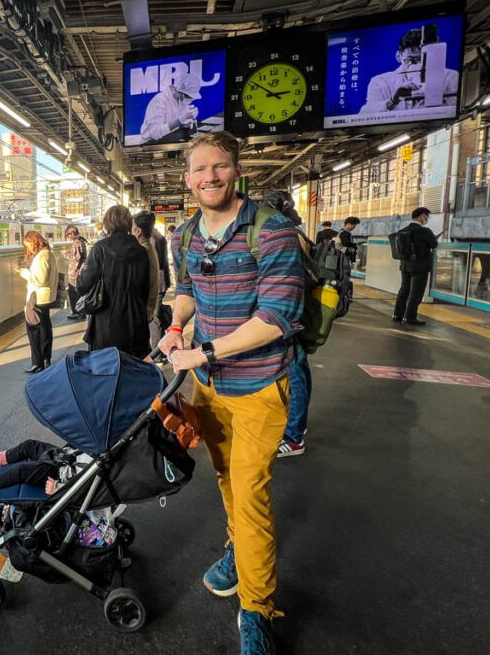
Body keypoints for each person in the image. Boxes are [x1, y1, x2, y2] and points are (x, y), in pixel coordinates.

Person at [160, 131, 304, 654]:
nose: (209, 177)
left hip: (260, 387)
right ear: (187, 179)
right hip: (209, 390)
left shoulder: (272, 231)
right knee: (224, 480)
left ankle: (258, 608)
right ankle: (237, 549)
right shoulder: (186, 235)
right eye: (199, 169)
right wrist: (177, 327)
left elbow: (277, 318)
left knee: (251, 496)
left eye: (219, 167)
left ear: (236, 170)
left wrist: (204, 352)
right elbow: (188, 291)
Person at [262, 190, 314, 460]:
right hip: (299, 314)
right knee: (300, 371)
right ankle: (297, 428)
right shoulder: (297, 233)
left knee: (294, 373)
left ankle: (293, 437)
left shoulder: (286, 235)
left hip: (290, 317)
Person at [76, 205, 151, 358]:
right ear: (129, 224)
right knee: (134, 370)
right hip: (136, 322)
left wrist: (79, 274)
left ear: (107, 224)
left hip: (106, 323)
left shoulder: (99, 249)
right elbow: (145, 289)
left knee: (105, 371)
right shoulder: (142, 251)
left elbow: (82, 286)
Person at [360, 26, 460, 114]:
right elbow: (365, 113)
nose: (419, 66)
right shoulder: (381, 82)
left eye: (424, 60)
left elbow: (454, 111)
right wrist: (393, 100)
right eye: (411, 60)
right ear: (398, 56)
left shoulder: (451, 77)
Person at [0, 440, 90, 501]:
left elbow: (90, 488)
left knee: (22, 471)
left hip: (60, 475)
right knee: (29, 445)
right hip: (66, 456)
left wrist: (59, 488)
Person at [20, 231, 59, 374]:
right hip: (45, 298)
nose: (28, 248)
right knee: (44, 328)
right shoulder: (49, 253)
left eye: (28, 244)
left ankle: (37, 363)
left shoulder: (42, 256)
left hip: (37, 298)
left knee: (34, 330)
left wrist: (24, 272)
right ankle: (45, 358)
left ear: (34, 241)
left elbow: (40, 280)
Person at [392, 207, 438, 325]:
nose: (427, 219)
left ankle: (398, 315)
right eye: (427, 217)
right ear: (422, 216)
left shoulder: (403, 230)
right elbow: (434, 244)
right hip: (420, 266)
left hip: (405, 265)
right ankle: (410, 317)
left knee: (404, 290)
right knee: (416, 292)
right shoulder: (424, 231)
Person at [140, 72, 202, 143]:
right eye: (188, 97)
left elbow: (173, 123)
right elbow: (155, 134)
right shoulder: (159, 101)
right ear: (179, 91)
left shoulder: (181, 99)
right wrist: (181, 119)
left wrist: (185, 122)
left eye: (192, 98)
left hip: (170, 137)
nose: (189, 101)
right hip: (149, 143)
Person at [132, 211, 162, 348]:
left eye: (131, 228)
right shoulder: (148, 248)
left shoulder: (142, 251)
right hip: (147, 308)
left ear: (138, 231)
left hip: (143, 311)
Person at [64, 225, 89, 321]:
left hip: (74, 273)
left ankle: (77, 313)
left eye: (68, 235)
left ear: (72, 233)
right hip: (79, 272)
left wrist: (67, 254)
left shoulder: (76, 243)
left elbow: (76, 258)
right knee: (78, 293)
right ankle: (80, 312)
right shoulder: (81, 241)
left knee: (74, 293)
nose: (67, 237)